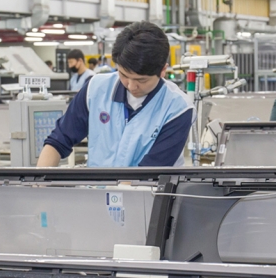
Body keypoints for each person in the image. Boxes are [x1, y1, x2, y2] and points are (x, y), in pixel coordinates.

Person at [37, 21, 193, 168]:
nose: (131, 86)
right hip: (97, 187)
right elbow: (58, 141)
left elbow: (150, 172)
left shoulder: (177, 108)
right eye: (124, 75)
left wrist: (115, 189)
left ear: (163, 70)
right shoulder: (95, 89)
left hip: (148, 187)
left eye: (141, 80)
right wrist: (39, 183)